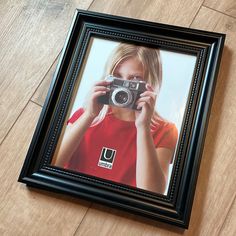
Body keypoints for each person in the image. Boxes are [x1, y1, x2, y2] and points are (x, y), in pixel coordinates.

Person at [54, 43, 178, 194]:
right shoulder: (85, 115)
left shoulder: (164, 130)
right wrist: (89, 115)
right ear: (107, 77)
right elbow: (50, 164)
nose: (124, 88)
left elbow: (152, 193)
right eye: (117, 77)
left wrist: (143, 127)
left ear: (151, 82)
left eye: (134, 79)